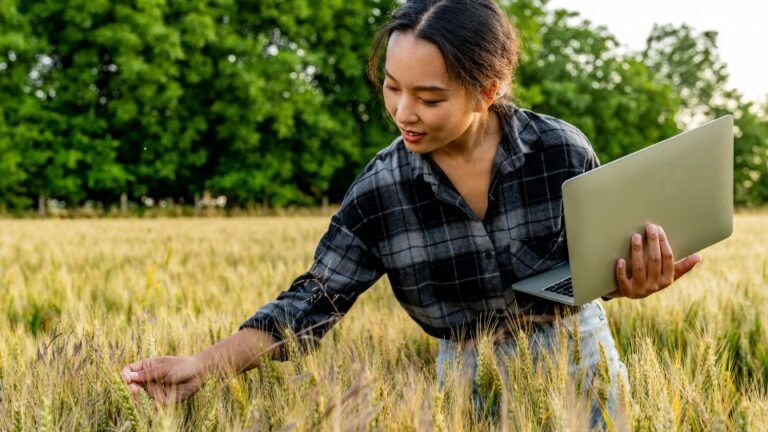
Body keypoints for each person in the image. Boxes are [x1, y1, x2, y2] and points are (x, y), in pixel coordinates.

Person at [121, 0, 702, 427]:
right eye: (392, 88)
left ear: (489, 88)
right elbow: (314, 300)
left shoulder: (561, 150)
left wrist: (629, 282)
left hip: (579, 362)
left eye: (429, 98)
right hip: (467, 383)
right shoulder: (380, 190)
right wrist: (203, 364)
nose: (403, 112)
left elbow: (589, 269)